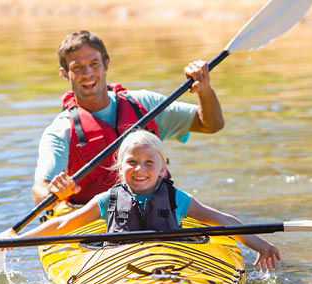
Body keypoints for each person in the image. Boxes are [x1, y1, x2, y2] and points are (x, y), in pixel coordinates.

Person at [16, 130, 280, 271]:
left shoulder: (177, 199)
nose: (140, 169)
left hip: (174, 266)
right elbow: (63, 226)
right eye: (132, 162)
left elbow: (223, 221)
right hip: (120, 270)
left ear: (163, 169)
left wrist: (261, 245)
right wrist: (18, 240)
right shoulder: (107, 200)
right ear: (120, 168)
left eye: (148, 163)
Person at [33, 30, 225, 206]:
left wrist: (204, 90)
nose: (88, 73)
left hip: (157, 210)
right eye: (77, 67)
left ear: (106, 64)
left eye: (94, 64)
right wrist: (53, 190)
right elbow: (39, 191)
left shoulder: (145, 105)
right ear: (64, 73)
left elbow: (211, 125)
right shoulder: (60, 131)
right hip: (93, 222)